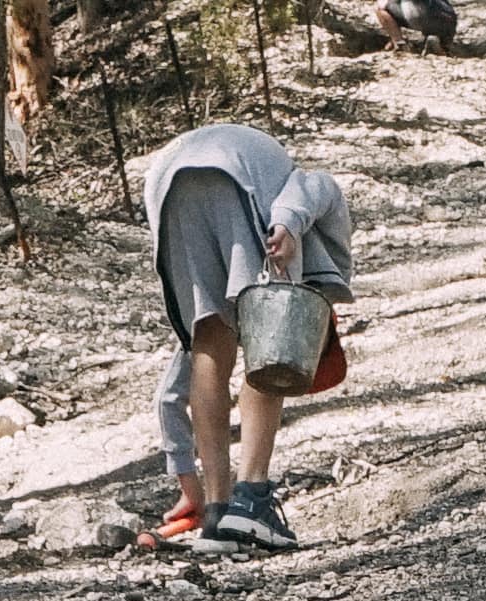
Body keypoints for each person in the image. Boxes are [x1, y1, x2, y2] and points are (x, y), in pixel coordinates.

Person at [142, 124, 351, 557]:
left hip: (167, 188)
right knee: (270, 344)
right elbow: (317, 186)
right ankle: (252, 498)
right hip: (233, 178)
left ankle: (218, 512)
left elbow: (171, 393)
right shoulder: (302, 226)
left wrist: (188, 481)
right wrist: (290, 225)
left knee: (208, 342)